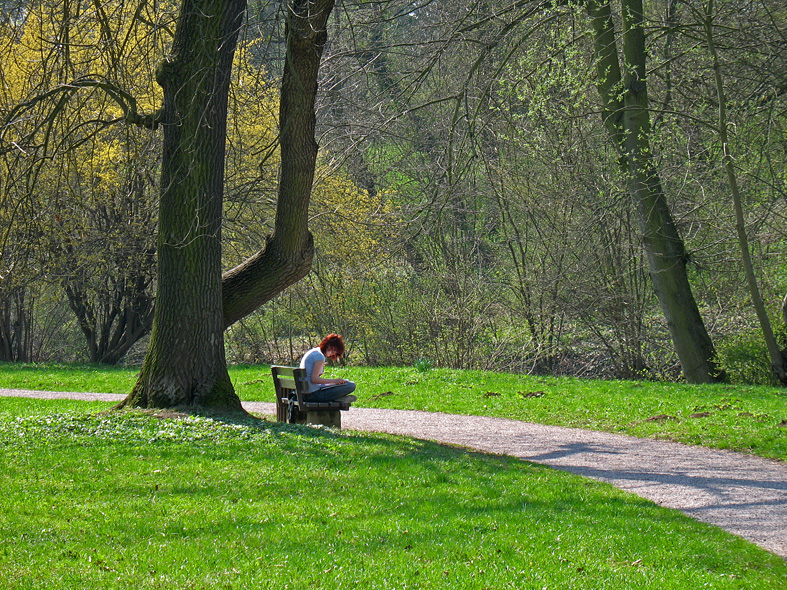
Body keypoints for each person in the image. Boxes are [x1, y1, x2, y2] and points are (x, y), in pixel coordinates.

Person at [299, 333, 356, 402]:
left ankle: (337, 398)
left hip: (305, 394)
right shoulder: (319, 356)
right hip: (312, 396)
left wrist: (333, 383)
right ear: (327, 345)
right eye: (333, 349)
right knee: (351, 385)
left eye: (335, 351)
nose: (333, 353)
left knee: (345, 384)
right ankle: (338, 399)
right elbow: (314, 379)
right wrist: (334, 381)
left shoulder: (314, 352)